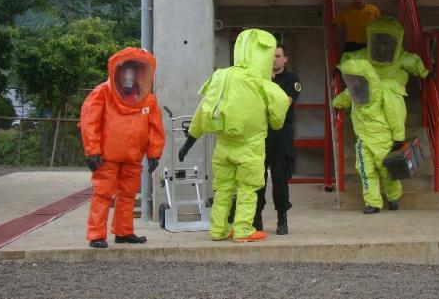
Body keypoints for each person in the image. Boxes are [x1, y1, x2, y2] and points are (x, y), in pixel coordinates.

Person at [178, 29, 290, 242]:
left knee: (223, 189)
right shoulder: (262, 83)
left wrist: (188, 143)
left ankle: (218, 229)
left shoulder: (221, 76)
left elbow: (203, 110)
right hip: (250, 146)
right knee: (248, 189)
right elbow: (278, 118)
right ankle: (243, 230)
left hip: (223, 146)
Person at [80, 47, 165, 249]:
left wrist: (154, 153)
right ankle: (96, 235)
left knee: (127, 195)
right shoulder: (102, 93)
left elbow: (155, 127)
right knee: (103, 194)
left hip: (133, 156)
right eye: (126, 70)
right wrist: (92, 150)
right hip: (107, 157)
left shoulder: (147, 99)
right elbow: (90, 121)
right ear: (117, 71)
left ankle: (124, 232)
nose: (129, 75)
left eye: (134, 70)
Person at [332, 59, 405, 214]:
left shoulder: (383, 91)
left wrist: (399, 137)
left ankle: (393, 197)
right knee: (365, 171)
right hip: (363, 140)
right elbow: (341, 100)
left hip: (383, 140)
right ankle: (372, 203)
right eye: (350, 78)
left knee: (387, 170)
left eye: (356, 77)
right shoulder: (352, 92)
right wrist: (336, 104)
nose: (354, 82)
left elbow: (395, 115)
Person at [340, 16, 429, 131]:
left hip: (391, 91)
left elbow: (414, 63)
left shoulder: (401, 57)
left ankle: (396, 136)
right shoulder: (364, 54)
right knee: (367, 111)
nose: (382, 47)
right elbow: (349, 59)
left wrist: (424, 73)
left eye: (387, 42)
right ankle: (371, 136)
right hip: (370, 91)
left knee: (395, 110)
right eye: (379, 41)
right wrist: (341, 67)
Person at [254, 44, 301, 235]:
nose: (274, 59)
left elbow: (284, 103)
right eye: (272, 56)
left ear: (285, 59)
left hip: (281, 132)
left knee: (280, 177)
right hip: (261, 131)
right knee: (257, 176)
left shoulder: (292, 79)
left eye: (278, 56)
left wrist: (268, 93)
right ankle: (256, 217)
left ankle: (282, 218)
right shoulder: (259, 79)